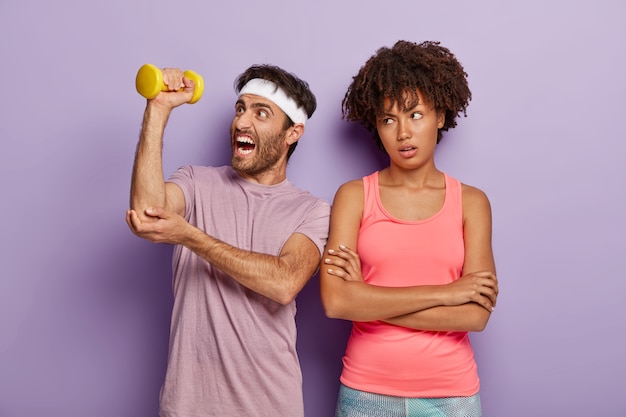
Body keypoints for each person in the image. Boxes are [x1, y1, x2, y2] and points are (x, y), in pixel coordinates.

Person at [126, 64, 330, 417]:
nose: (241, 123)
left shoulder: (311, 210)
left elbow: (284, 282)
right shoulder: (195, 181)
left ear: (292, 133)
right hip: (186, 406)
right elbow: (147, 214)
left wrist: (188, 235)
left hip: (269, 407)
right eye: (240, 109)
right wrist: (157, 109)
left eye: (260, 112)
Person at [320, 40, 499, 417]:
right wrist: (447, 293)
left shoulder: (472, 203)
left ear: (440, 115)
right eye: (388, 119)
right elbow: (336, 302)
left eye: (415, 114)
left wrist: (367, 300)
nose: (402, 132)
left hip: (451, 395)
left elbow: (476, 315)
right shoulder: (354, 197)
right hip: (365, 392)